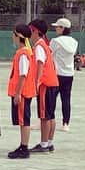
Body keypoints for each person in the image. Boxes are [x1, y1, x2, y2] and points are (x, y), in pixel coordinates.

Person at [28, 19, 59, 153]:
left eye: (30, 30)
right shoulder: (44, 45)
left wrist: (36, 82)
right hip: (53, 82)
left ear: (36, 32)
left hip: (45, 84)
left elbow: (40, 64)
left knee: (44, 116)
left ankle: (44, 143)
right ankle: (49, 142)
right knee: (50, 115)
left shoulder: (39, 46)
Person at [7, 24, 37, 159]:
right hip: (23, 92)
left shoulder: (23, 54)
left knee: (24, 120)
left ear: (18, 36)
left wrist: (18, 93)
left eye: (13, 34)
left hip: (23, 93)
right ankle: (22, 145)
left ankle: (24, 148)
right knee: (21, 120)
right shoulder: (23, 52)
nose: (12, 37)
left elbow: (23, 75)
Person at [50, 18, 77, 132]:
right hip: (69, 74)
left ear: (63, 28)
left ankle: (46, 120)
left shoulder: (55, 41)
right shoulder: (74, 42)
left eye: (58, 27)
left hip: (56, 74)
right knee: (66, 99)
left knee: (51, 99)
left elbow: (49, 54)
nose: (56, 28)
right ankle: (66, 123)